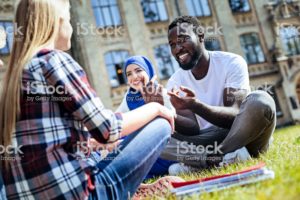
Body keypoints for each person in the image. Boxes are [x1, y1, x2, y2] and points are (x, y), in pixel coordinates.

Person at [0, 1, 180, 199]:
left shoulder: (12, 79)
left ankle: (131, 189)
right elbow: (108, 129)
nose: (71, 27)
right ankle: (126, 190)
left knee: (92, 151)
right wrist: (156, 108)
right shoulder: (53, 61)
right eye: (69, 19)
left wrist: (91, 142)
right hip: (82, 194)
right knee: (161, 124)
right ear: (57, 22)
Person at [155, 16, 276, 173]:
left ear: (201, 37)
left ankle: (205, 162)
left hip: (239, 133)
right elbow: (192, 130)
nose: (177, 49)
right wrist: (167, 113)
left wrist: (196, 105)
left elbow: (235, 113)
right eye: (172, 45)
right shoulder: (175, 80)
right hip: (207, 140)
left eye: (183, 40)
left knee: (261, 101)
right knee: (157, 133)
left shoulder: (232, 62)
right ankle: (225, 158)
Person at [115, 55, 176, 179]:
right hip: (143, 147)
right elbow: (117, 120)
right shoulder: (129, 98)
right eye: (129, 74)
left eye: (138, 71)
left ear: (148, 70)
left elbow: (173, 122)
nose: (134, 77)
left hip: (164, 146)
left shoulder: (160, 92)